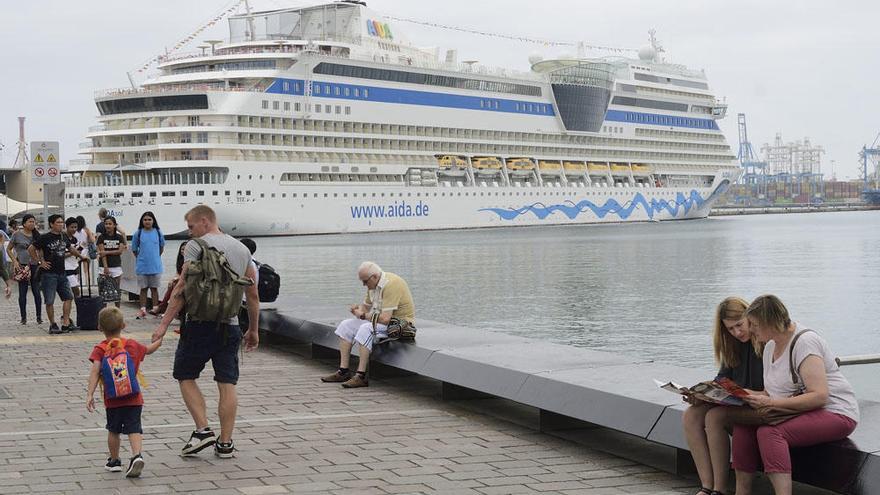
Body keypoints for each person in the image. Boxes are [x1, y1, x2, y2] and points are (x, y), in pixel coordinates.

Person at [151, 205, 259, 458]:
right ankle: (226, 443)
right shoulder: (243, 249)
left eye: (191, 227)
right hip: (230, 325)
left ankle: (202, 430)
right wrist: (253, 329)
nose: (189, 233)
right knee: (227, 383)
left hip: (199, 324)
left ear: (204, 221)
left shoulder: (196, 246)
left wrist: (164, 324)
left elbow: (181, 289)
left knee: (185, 375)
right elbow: (252, 295)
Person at [732, 295, 859, 495]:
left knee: (769, 432)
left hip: (835, 412)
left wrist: (770, 402)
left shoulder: (805, 342)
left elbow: (819, 396)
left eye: (755, 325)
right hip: (798, 410)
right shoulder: (770, 347)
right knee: (743, 428)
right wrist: (746, 394)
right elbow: (772, 392)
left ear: (769, 322)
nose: (752, 330)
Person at [682, 297, 763, 495]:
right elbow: (722, 379)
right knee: (691, 414)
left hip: (760, 402)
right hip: (738, 401)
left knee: (714, 417)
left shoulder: (764, 341)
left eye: (739, 325)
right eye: (730, 329)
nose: (737, 332)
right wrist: (702, 395)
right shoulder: (732, 345)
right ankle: (706, 486)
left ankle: (720, 488)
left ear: (749, 317)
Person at [86, 307, 163, 478]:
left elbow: (95, 371)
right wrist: (159, 340)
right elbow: (149, 349)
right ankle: (137, 456)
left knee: (113, 430)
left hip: (112, 399)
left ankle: (114, 461)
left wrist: (90, 394)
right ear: (124, 325)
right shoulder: (132, 345)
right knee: (134, 428)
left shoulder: (101, 348)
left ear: (99, 328)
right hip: (134, 398)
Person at [321, 261, 415, 388]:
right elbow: (364, 309)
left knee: (366, 328)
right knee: (345, 325)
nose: (364, 284)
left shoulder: (392, 284)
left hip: (398, 324)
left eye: (365, 281)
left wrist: (363, 315)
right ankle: (343, 371)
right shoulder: (372, 286)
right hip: (381, 322)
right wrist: (356, 310)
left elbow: (386, 319)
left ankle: (361, 376)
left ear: (375, 277)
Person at [28, 214, 82, 334]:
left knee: (68, 297)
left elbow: (70, 248)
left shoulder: (63, 236)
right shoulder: (45, 237)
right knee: (50, 301)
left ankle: (66, 322)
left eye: (62, 222)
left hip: (62, 273)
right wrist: (39, 261)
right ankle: (52, 324)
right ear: (52, 224)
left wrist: (81, 256)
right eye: (58, 222)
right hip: (49, 274)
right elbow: (31, 249)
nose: (61, 224)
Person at [7, 214, 42, 325]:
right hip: (22, 265)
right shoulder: (16, 234)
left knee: (36, 291)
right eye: (30, 221)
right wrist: (15, 261)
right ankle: (23, 317)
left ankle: (39, 316)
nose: (32, 224)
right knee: (23, 292)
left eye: (34, 222)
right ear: (24, 223)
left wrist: (41, 261)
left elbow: (41, 250)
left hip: (34, 265)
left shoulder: (37, 235)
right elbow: (9, 249)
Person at [131, 212, 165, 319]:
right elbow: (134, 249)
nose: (147, 222)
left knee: (154, 289)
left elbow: (161, 248)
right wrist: (141, 258)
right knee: (143, 289)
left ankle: (155, 308)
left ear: (153, 221)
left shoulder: (158, 232)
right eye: (145, 220)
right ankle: (143, 310)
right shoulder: (138, 233)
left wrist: (155, 257)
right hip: (142, 266)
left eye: (149, 219)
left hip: (155, 266)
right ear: (142, 221)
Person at [97, 216, 127, 308]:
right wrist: (106, 267)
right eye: (106, 224)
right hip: (104, 267)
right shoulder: (101, 237)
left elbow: (120, 251)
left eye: (110, 224)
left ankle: (117, 311)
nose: (108, 226)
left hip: (116, 266)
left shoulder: (119, 237)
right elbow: (102, 254)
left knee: (116, 290)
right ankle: (103, 312)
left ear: (114, 225)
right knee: (103, 292)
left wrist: (106, 251)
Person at [64, 217, 86, 300]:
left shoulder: (74, 239)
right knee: (75, 289)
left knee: (76, 290)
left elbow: (77, 252)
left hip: (75, 266)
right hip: (66, 268)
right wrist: (73, 252)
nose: (74, 229)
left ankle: (78, 308)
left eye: (75, 227)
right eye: (72, 227)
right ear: (67, 226)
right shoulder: (63, 238)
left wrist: (78, 251)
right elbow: (62, 255)